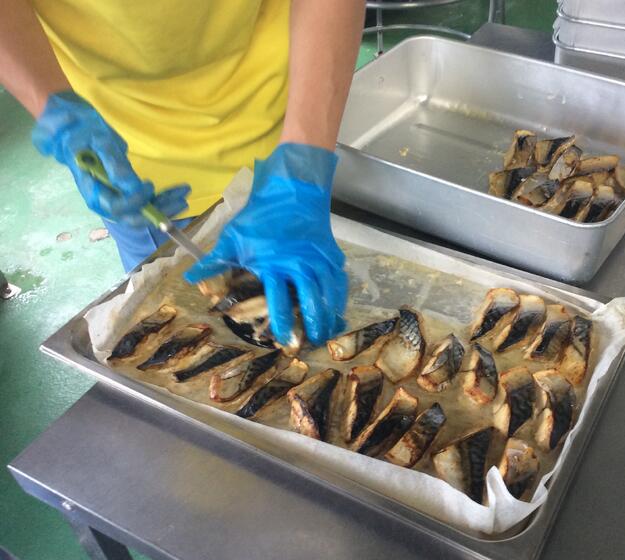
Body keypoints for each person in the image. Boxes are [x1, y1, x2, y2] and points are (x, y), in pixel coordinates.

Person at [0, 0, 366, 346]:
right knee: (177, 328)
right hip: (130, 162)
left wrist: (304, 160)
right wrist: (47, 99)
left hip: (292, 110)